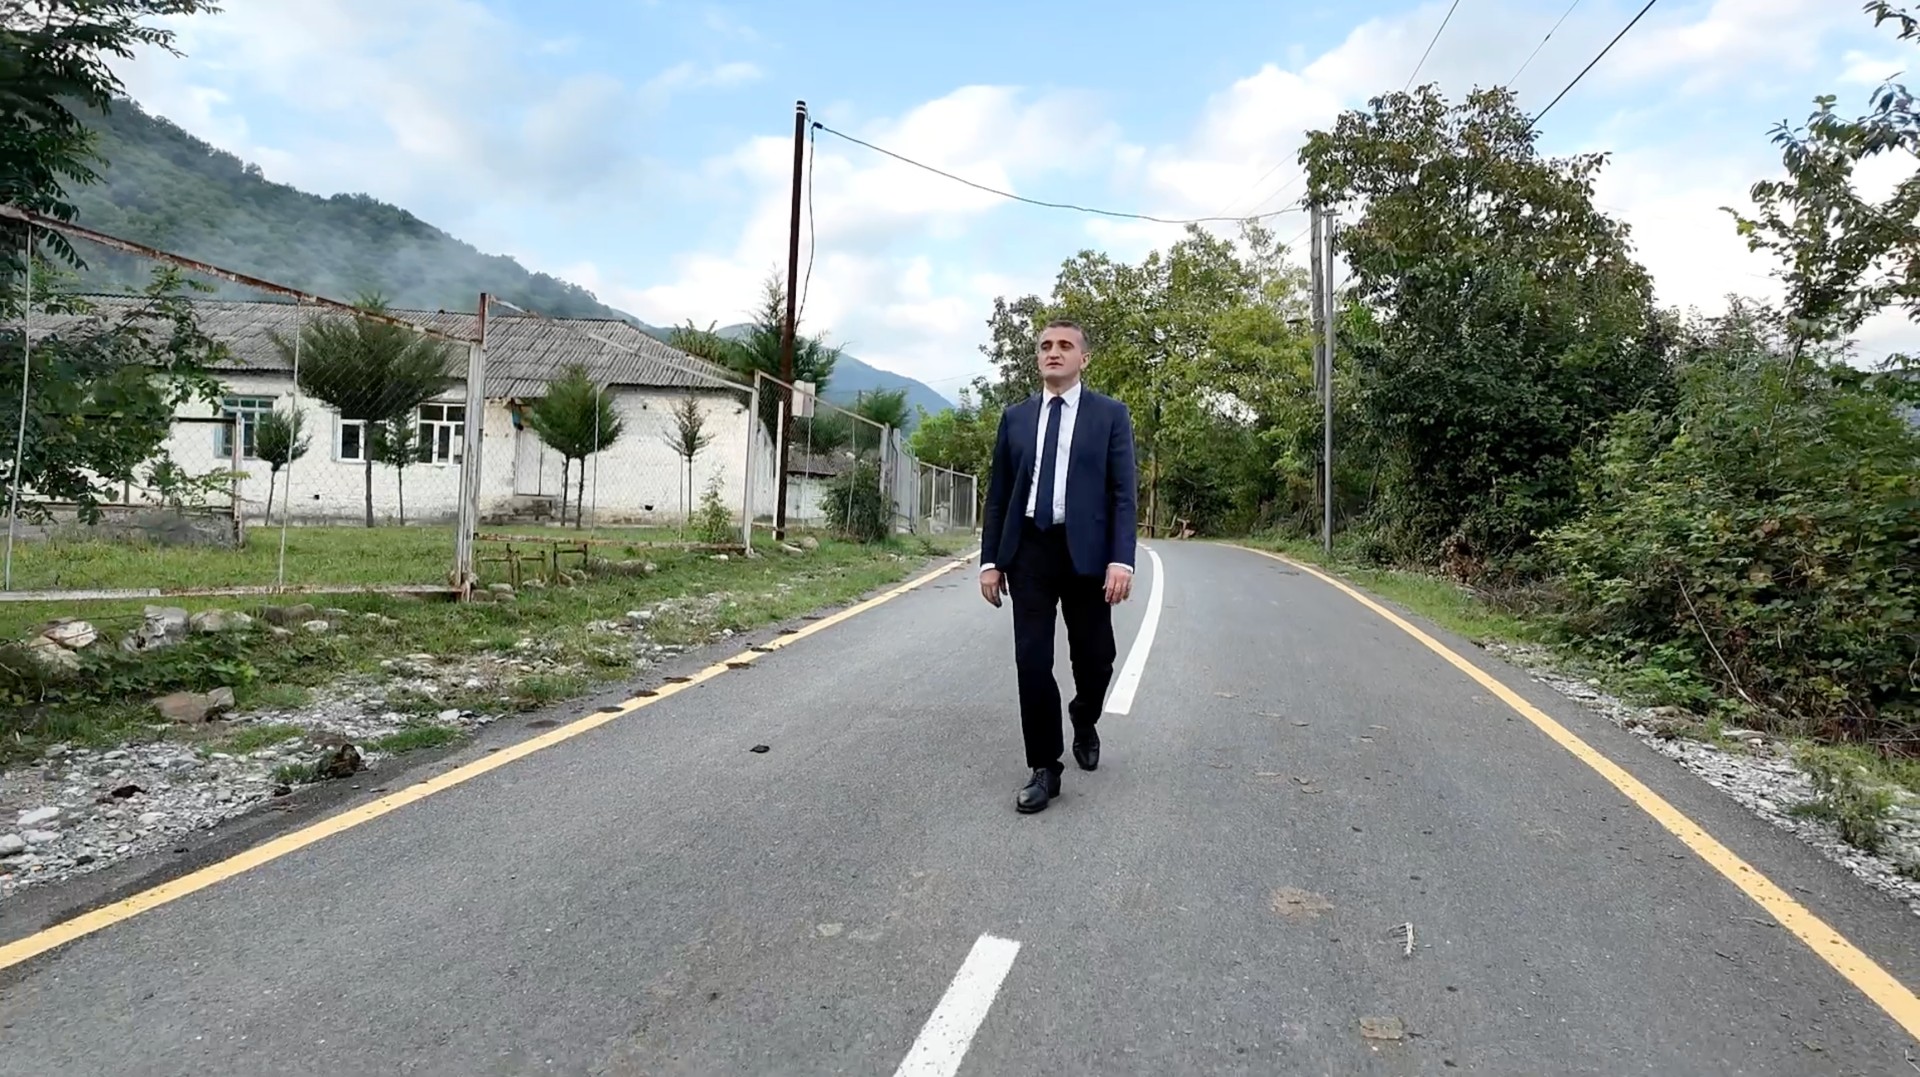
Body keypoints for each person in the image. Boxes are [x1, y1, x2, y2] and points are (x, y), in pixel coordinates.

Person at [978, 318, 1138, 814]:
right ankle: (1044, 766)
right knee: (1031, 661)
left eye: (1065, 345)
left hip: (1087, 555)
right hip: (1030, 550)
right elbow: (999, 494)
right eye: (1046, 345)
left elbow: (1123, 493)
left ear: (1083, 358)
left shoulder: (1110, 415)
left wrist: (1121, 559)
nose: (1054, 352)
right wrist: (990, 561)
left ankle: (1085, 717)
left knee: (1096, 658)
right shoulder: (1016, 418)